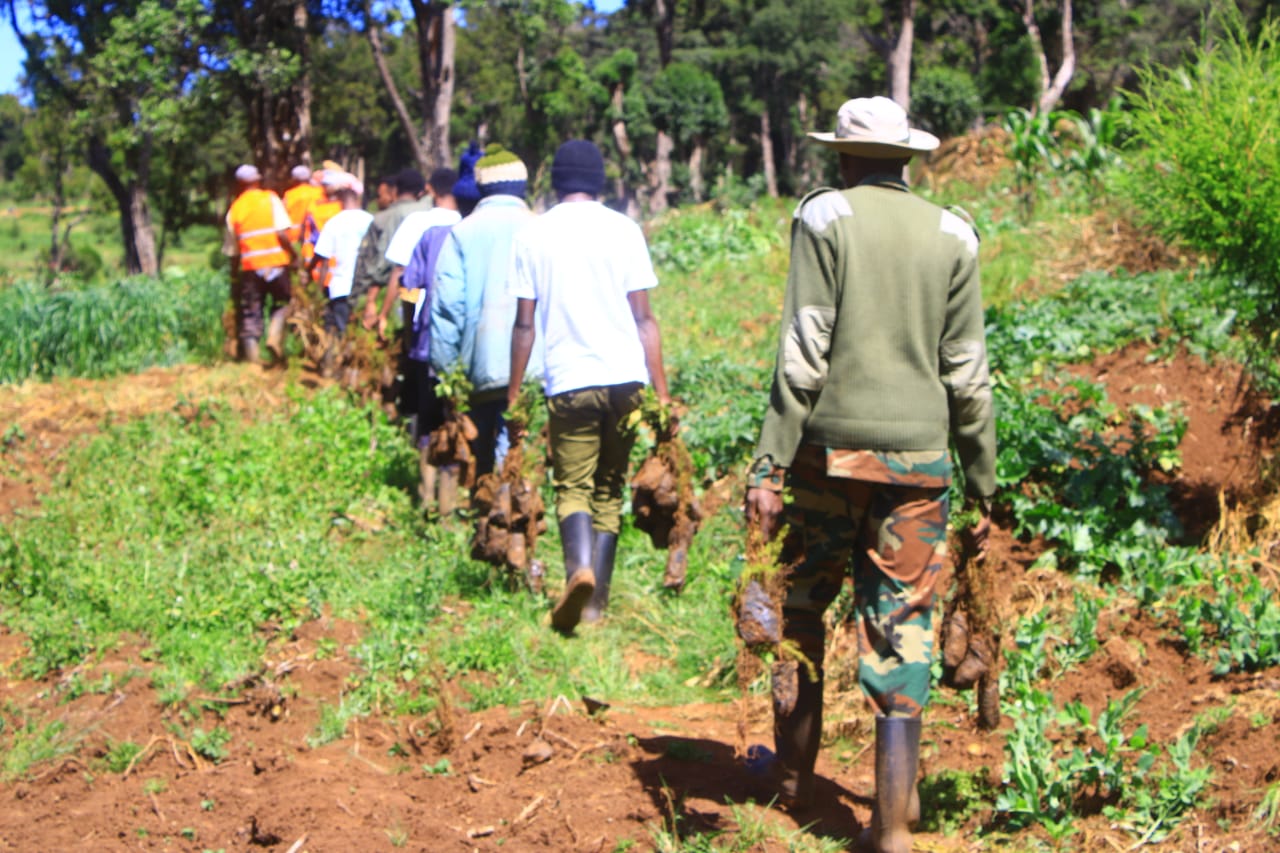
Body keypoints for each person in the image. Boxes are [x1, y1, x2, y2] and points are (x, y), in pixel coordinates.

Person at [741, 96, 996, 853]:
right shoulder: (954, 233)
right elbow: (968, 374)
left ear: (844, 156)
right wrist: (981, 479)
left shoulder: (825, 218)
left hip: (829, 457)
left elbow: (804, 351)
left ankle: (794, 782)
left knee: (801, 609)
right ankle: (892, 825)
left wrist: (769, 461)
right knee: (904, 626)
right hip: (919, 465)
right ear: (907, 157)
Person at [507, 139, 670, 634]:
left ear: (556, 182)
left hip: (571, 379)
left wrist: (514, 397)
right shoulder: (625, 230)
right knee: (608, 489)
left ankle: (578, 570)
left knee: (572, 486)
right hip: (626, 380)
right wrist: (662, 395)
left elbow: (524, 326)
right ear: (599, 181)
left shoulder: (532, 235)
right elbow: (644, 319)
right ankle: (595, 605)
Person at [430, 145, 536, 479]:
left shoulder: (462, 233)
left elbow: (447, 310)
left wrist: (448, 373)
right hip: (532, 369)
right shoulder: (540, 228)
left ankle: (483, 502)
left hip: (477, 368)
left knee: (482, 460)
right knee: (516, 458)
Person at [224, 163, 297, 363]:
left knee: (251, 312)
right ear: (257, 181)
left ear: (239, 184)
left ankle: (253, 359)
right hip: (277, 264)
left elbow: (233, 251)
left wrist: (234, 277)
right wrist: (294, 255)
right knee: (282, 303)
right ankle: (274, 335)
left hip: (251, 268)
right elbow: (282, 233)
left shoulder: (235, 209)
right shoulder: (270, 199)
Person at [356, 168, 432, 337]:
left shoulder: (391, 215)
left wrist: (371, 301)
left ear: (395, 191)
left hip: (397, 293)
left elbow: (385, 262)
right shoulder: (432, 211)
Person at [310, 170, 372, 374]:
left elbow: (323, 260)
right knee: (359, 331)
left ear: (340, 198)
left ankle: (333, 370)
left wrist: (318, 292)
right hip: (365, 289)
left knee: (337, 329)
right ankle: (355, 371)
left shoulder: (334, 223)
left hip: (340, 287)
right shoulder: (370, 220)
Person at [282, 165, 324, 247]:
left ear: (294, 179)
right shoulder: (319, 192)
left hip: (294, 237)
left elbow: (283, 214)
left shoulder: (289, 195)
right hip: (316, 234)